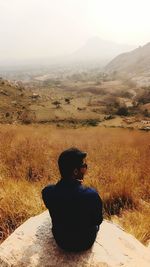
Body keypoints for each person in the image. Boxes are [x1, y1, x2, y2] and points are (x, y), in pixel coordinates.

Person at [42, 147, 103, 252]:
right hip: (85, 242)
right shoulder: (91, 195)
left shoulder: (47, 192)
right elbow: (98, 220)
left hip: (61, 241)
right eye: (84, 166)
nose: (85, 168)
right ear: (75, 171)